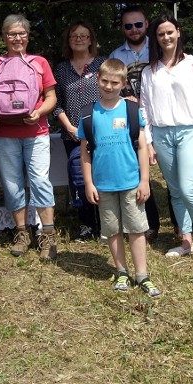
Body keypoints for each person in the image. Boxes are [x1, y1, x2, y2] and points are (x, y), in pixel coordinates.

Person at [141, 15, 193, 267]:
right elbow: (145, 110)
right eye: (160, 34)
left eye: (169, 32)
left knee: (189, 189)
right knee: (175, 191)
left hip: (190, 132)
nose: (165, 37)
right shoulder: (149, 71)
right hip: (162, 135)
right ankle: (186, 241)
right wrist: (149, 143)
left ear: (178, 32)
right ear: (155, 39)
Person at [79, 59, 162, 297]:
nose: (108, 86)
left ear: (123, 83)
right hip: (103, 185)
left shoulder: (132, 111)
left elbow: (142, 147)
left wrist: (145, 180)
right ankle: (121, 271)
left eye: (114, 82)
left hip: (130, 182)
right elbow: (85, 153)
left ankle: (142, 275)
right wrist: (88, 183)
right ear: (98, 80)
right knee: (112, 230)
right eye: (104, 81)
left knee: (136, 229)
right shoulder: (88, 114)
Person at [0, 14, 59, 261]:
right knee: (12, 184)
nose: (17, 38)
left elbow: (51, 97)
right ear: (4, 37)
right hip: (4, 133)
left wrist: (39, 112)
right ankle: (22, 232)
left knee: (40, 181)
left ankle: (47, 234)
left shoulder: (40, 62)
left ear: (28, 36)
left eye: (21, 33)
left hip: (36, 132)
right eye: (12, 34)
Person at [108, 5, 169, 241]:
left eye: (138, 24)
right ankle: (149, 224)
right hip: (132, 120)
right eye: (128, 26)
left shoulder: (159, 49)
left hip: (161, 117)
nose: (134, 30)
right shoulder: (115, 55)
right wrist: (125, 98)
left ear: (146, 24)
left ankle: (180, 225)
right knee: (139, 171)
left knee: (171, 175)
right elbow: (110, 86)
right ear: (123, 29)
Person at [53, 21, 105, 241]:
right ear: (69, 41)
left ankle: (106, 223)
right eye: (74, 36)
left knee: (103, 176)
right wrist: (70, 127)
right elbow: (56, 104)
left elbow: (113, 96)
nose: (79, 39)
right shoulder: (61, 69)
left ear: (91, 40)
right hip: (73, 134)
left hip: (102, 133)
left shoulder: (102, 65)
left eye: (84, 36)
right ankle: (87, 224)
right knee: (79, 178)